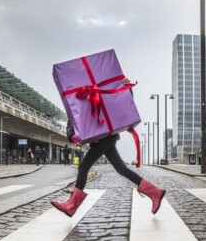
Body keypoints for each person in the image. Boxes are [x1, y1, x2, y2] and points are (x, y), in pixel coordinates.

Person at [51, 78, 165, 217]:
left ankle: (72, 205)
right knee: (121, 169)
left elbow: (119, 102)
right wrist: (73, 137)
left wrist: (126, 87)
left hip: (107, 137)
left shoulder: (100, 91)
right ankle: (155, 192)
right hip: (100, 139)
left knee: (84, 166)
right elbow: (71, 120)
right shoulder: (75, 99)